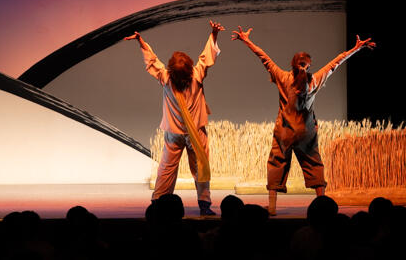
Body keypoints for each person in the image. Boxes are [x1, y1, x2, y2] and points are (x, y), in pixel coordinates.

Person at [232, 26, 375, 215]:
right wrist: (356, 48)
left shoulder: (283, 77)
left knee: (276, 163)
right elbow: (336, 63)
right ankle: (323, 207)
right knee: (314, 164)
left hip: (284, 131)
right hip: (306, 133)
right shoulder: (314, 80)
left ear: (292, 64)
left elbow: (263, 57)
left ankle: (272, 207)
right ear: (308, 66)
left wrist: (246, 40)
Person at [125, 20, 224, 215]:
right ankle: (204, 204)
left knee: (167, 168)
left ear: (171, 70)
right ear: (189, 69)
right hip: (195, 133)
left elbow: (152, 61)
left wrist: (141, 41)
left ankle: (158, 201)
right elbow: (206, 57)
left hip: (175, 133)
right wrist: (214, 33)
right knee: (200, 167)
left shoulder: (166, 78)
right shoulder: (196, 75)